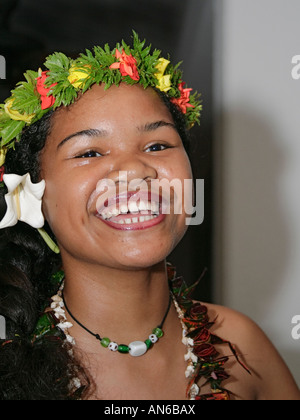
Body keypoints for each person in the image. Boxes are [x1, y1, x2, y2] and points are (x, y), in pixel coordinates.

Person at [0, 32, 299, 401]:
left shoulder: (240, 347)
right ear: (30, 194)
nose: (134, 170)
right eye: (90, 152)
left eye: (157, 145)